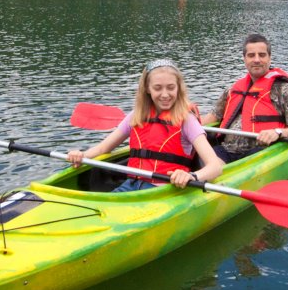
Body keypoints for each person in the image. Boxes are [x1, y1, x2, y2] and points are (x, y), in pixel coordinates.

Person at [67, 58, 224, 191]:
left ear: (179, 88)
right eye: (157, 88)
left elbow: (215, 166)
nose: (164, 94)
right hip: (130, 186)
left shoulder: (187, 120)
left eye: (171, 88)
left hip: (166, 190)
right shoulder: (136, 116)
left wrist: (191, 176)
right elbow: (103, 148)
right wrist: (82, 155)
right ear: (147, 89)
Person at [202, 33, 288, 164]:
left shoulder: (284, 89)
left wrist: (278, 132)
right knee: (210, 166)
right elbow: (211, 118)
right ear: (244, 59)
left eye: (262, 55)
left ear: (269, 58)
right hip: (226, 150)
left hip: (261, 151)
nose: (256, 60)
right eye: (251, 55)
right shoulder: (233, 89)